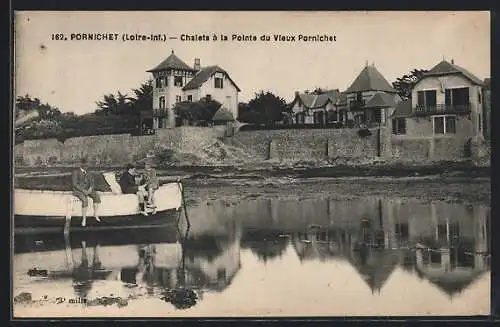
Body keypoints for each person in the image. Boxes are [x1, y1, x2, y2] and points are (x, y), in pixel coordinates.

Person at [72, 158, 101, 227]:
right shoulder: (76, 172)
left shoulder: (88, 173)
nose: (86, 166)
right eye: (85, 165)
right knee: (85, 200)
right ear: (81, 165)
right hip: (78, 190)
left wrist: (90, 188)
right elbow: (75, 184)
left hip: (87, 189)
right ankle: (84, 219)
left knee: (96, 196)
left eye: (87, 165)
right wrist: (83, 190)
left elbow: (92, 182)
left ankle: (95, 214)